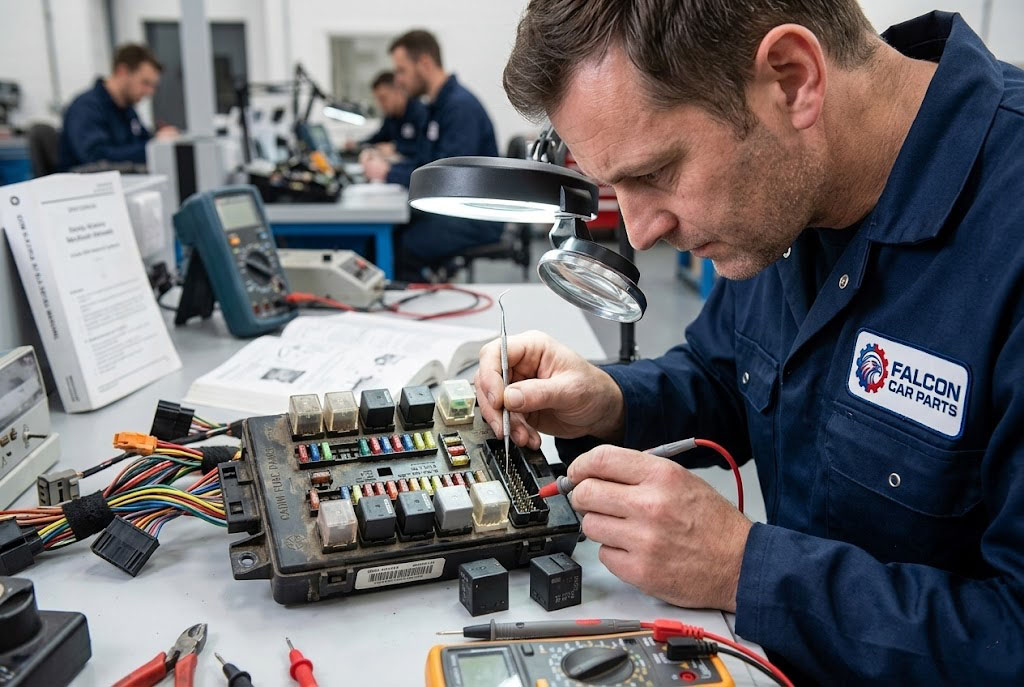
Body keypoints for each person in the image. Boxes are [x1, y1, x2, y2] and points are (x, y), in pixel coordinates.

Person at [474, 2, 1024, 684]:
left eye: (654, 172)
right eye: (612, 183)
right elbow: (724, 373)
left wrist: (746, 569)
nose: (639, 231)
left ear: (793, 80)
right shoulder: (786, 192)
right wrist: (610, 398)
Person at [362, 29, 502, 281]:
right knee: (386, 236)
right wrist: (390, 170)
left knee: (402, 248)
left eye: (402, 70)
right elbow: (424, 165)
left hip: (476, 216)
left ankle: (420, 311)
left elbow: (449, 179)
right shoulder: (435, 108)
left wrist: (388, 172)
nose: (399, 80)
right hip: (452, 207)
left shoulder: (459, 108)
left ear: (424, 63)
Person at [59, 43, 178, 171]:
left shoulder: (127, 109)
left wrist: (159, 141)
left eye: (153, 86)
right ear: (123, 71)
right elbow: (96, 157)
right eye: (145, 83)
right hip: (89, 186)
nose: (149, 92)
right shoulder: (86, 108)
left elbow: (142, 141)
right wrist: (152, 147)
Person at [359, 71, 427, 159]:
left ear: (398, 91)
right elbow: (378, 138)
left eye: (383, 98)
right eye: (378, 100)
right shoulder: (391, 116)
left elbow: (424, 147)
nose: (380, 104)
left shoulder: (420, 113)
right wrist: (358, 145)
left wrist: (396, 148)